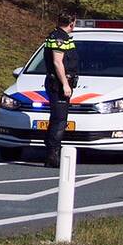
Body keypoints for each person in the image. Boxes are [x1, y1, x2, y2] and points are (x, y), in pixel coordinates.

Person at [44, 11, 79, 168]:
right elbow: (58, 62)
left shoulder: (58, 36)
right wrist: (65, 83)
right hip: (57, 84)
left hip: (58, 82)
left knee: (57, 119)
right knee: (59, 120)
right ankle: (53, 155)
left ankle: (52, 152)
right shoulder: (59, 38)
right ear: (71, 23)